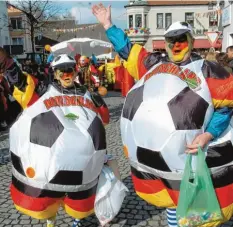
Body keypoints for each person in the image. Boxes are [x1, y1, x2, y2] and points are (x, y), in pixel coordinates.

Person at [92, 3, 233, 227]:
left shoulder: (207, 69)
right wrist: (108, 25)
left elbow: (225, 108)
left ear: (190, 41)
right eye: (171, 41)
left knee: (196, 207)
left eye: (181, 40)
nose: (176, 45)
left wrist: (208, 135)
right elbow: (128, 49)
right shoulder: (153, 64)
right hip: (159, 161)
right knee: (171, 202)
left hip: (193, 156)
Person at [0, 49, 111, 227]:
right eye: (62, 70)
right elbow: (20, 82)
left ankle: (76, 222)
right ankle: (51, 222)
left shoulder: (88, 94)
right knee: (49, 206)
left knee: (78, 207)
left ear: (75, 71)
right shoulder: (42, 92)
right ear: (55, 73)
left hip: (83, 167)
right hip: (50, 167)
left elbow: (105, 120)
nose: (66, 74)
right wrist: (6, 62)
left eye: (69, 69)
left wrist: (99, 103)